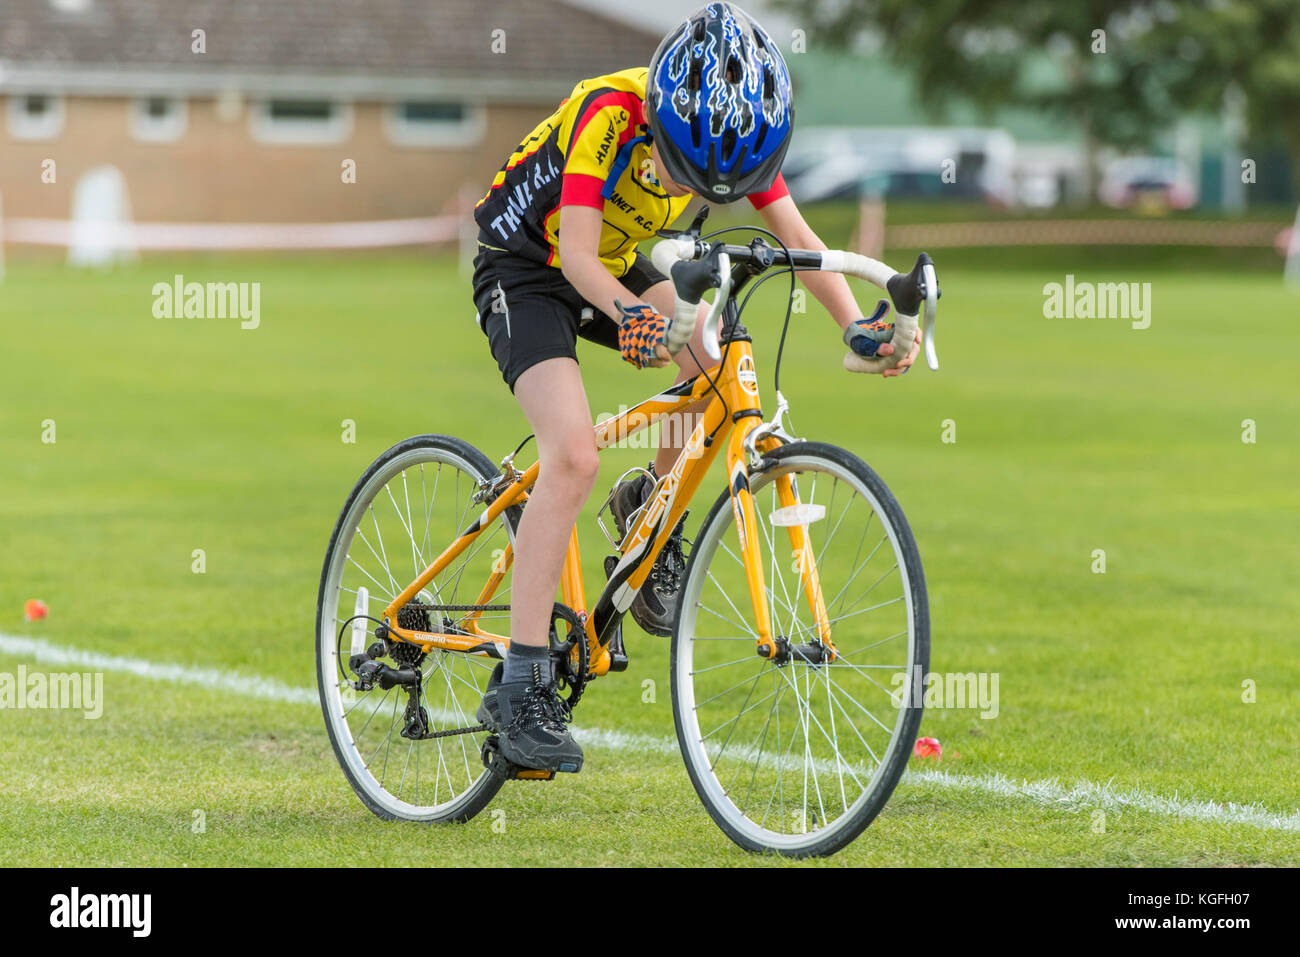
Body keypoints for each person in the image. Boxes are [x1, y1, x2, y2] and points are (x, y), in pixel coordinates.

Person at [470, 2, 919, 774]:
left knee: (711, 368)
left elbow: (802, 244)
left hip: (614, 261)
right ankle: (522, 678)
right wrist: (630, 316)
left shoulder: (732, 132)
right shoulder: (608, 114)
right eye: (685, 168)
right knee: (573, 455)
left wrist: (855, 326)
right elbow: (576, 254)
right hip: (530, 267)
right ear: (661, 121)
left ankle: (651, 510)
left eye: (726, 180)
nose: (702, 185)